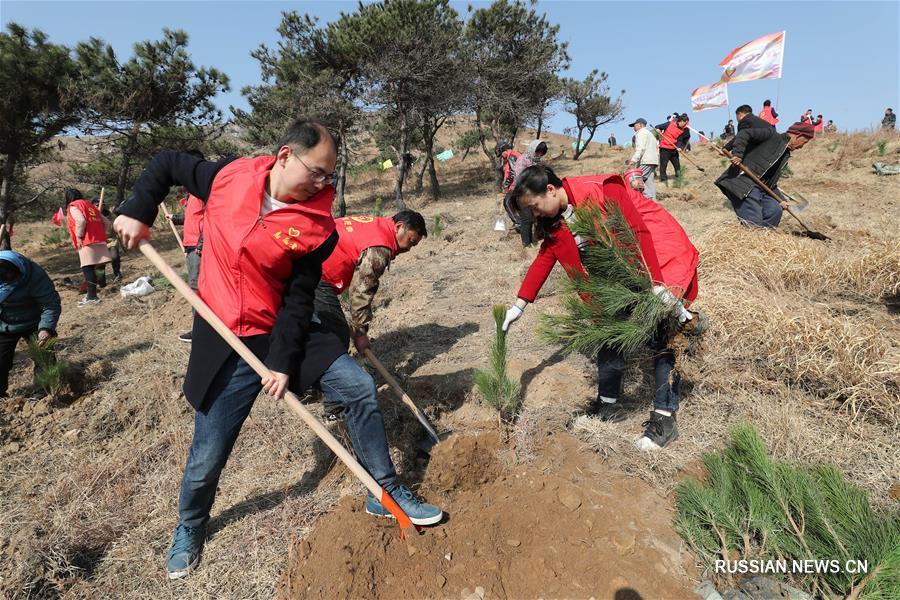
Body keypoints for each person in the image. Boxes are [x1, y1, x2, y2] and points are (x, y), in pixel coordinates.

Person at [113, 118, 443, 580]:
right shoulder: (230, 178)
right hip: (225, 333)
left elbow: (298, 299)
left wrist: (283, 363)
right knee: (209, 450)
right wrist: (139, 207)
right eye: (318, 172)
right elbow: (168, 164)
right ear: (285, 156)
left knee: (358, 386)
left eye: (330, 176)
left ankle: (383, 490)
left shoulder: (317, 226)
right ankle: (190, 526)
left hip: (281, 328)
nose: (323, 184)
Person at [500, 165, 700, 450]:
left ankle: (664, 419)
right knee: (608, 333)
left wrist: (655, 282)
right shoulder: (557, 219)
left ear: (550, 190)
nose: (535, 214)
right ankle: (609, 405)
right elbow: (545, 259)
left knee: (662, 335)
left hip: (654, 257)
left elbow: (638, 231)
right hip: (616, 276)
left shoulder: (604, 189)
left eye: (534, 206)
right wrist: (519, 306)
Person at [715, 121, 815, 229]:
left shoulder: (785, 154)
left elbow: (770, 182)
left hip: (761, 188)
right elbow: (744, 133)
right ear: (799, 136)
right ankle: (755, 238)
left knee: (775, 210)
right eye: (804, 143)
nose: (802, 147)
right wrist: (737, 154)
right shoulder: (771, 134)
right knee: (754, 223)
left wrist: (781, 199)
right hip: (743, 182)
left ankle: (766, 240)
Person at [0, 251, 61, 398]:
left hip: (34, 322)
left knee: (44, 356)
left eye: (14, 281)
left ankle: (42, 394)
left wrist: (45, 328)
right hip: (4, 323)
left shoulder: (34, 275)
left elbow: (51, 304)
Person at [168, 181, 206, 343]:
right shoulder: (191, 195)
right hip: (192, 244)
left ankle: (200, 330)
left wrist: (202, 242)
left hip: (198, 246)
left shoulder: (201, 192)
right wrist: (175, 218)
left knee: (196, 286)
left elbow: (212, 217)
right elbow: (193, 218)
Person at [65, 189, 112, 306]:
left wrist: (79, 236)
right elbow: (107, 223)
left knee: (87, 268)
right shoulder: (90, 206)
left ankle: (92, 296)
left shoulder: (74, 206)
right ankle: (94, 292)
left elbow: (80, 221)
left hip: (87, 240)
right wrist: (103, 233)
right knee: (96, 267)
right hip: (99, 239)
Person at [511, 139, 548, 246]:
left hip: (536, 194)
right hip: (522, 193)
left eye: (542, 153)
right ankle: (526, 244)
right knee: (526, 218)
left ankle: (538, 237)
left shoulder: (539, 162)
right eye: (538, 152)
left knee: (536, 217)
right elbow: (519, 177)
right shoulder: (522, 160)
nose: (539, 155)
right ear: (533, 149)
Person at [627, 118, 659, 201]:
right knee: (649, 183)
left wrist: (634, 159)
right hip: (653, 161)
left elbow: (640, 148)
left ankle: (648, 198)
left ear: (640, 125)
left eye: (635, 125)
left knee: (635, 180)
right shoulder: (650, 134)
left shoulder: (641, 133)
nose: (633, 127)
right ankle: (654, 203)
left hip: (646, 160)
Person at [655, 114, 690, 182]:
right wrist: (658, 129)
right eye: (685, 123)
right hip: (664, 148)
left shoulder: (683, 130)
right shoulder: (669, 124)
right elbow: (658, 126)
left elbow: (680, 140)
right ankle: (663, 179)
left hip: (674, 149)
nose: (685, 125)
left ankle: (679, 176)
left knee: (677, 164)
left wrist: (679, 147)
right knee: (663, 164)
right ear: (682, 121)